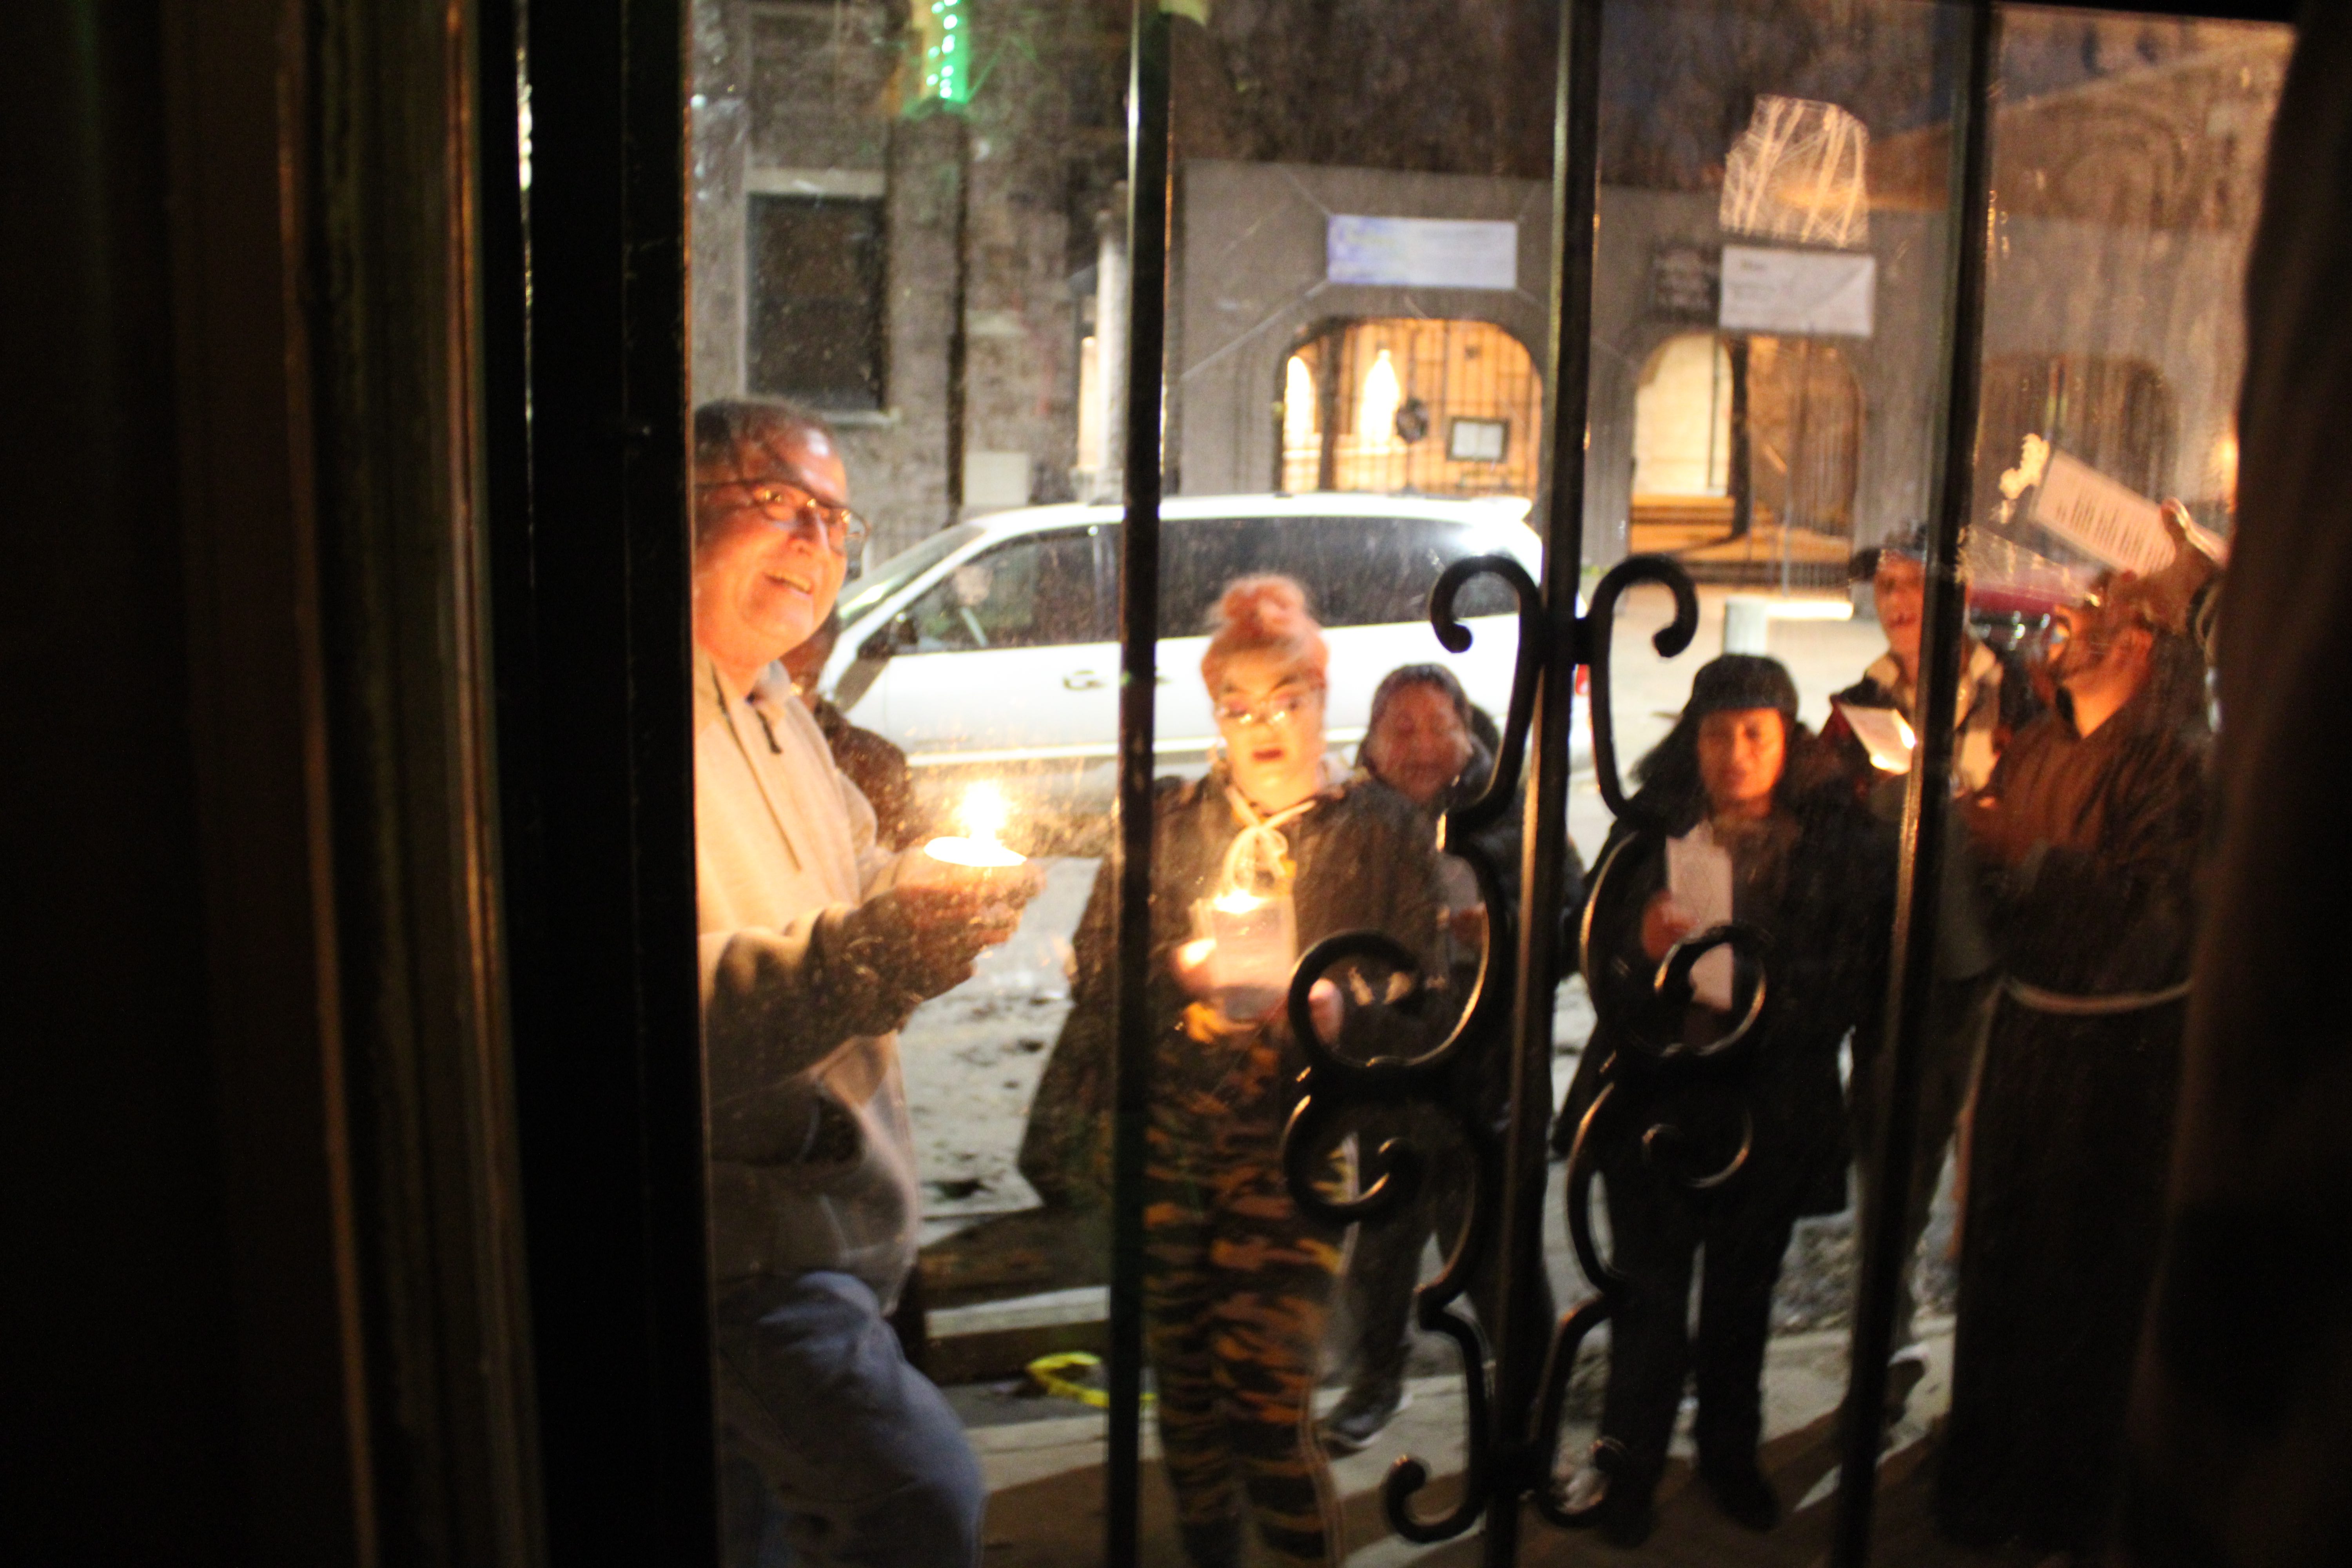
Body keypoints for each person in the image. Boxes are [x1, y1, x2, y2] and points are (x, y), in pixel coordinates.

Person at [1027, 577, 1443, 1568]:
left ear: (1321, 698)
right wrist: (1178, 972)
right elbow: (1099, 971)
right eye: (1238, 705)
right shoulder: (1170, 818)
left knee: (1266, 1402)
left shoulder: (1379, 827)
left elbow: (1436, 999)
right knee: (1187, 1386)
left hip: (1296, 1142)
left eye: (1285, 700)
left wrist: (1349, 1012)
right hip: (1172, 1132)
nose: (1261, 725)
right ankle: (1209, 1549)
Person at [691, 400, 1040, 1568]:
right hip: (746, 1239)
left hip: (834, 1223)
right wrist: (868, 952)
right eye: (777, 501)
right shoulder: (644, 720)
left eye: (835, 517)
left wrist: (934, 883)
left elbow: (849, 873)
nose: (815, 541)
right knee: (919, 1495)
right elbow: (661, 1008)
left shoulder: (775, 709)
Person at [1553, 656, 1891, 1548]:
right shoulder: (1652, 830)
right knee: (1647, 1300)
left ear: (1788, 742)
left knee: (1745, 1294)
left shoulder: (1838, 840)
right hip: (1656, 1107)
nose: (1735, 753)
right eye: (1716, 734)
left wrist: (1754, 990)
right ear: (1691, 740)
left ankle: (1728, 1454)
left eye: (1755, 734)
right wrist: (1638, 941)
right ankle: (1627, 1466)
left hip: (1770, 1109)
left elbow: (1856, 979)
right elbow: (1594, 955)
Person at [1938, 521, 2216, 1555]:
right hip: (2029, 1040)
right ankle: (1987, 1474)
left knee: (2081, 1282)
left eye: (2098, 613)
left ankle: (2062, 1498)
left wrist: (2032, 854)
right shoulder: (2045, 745)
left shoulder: (2177, 765)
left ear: (2146, 645)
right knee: (2002, 1267)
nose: (2069, 618)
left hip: (2114, 1068)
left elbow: (2161, 916)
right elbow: (2001, 894)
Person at [1319, 665, 1581, 1454]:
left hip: (1488, 1073)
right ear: (1370, 742)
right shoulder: (1347, 819)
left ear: (1470, 734)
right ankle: (1375, 1383)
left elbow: (1573, 930)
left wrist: (1505, 932)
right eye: (1401, 730)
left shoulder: (1514, 816)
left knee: (1498, 1245)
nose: (1422, 747)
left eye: (1439, 727)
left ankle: (1529, 1401)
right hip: (1389, 1070)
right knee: (1386, 1239)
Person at [1824, 528, 2005, 1383]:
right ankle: (1883, 1335)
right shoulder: (1860, 702)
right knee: (1893, 1147)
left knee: (2001, 1159)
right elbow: (1831, 822)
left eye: (1914, 586)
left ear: (1959, 597)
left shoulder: (2017, 694)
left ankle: (1994, 1357)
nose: (1896, 601)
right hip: (1898, 964)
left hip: (1998, 959)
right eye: (1886, 585)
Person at [778, 607, 923, 850]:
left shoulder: (873, 765)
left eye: (801, 683)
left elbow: (907, 854)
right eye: (764, 675)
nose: (776, 694)